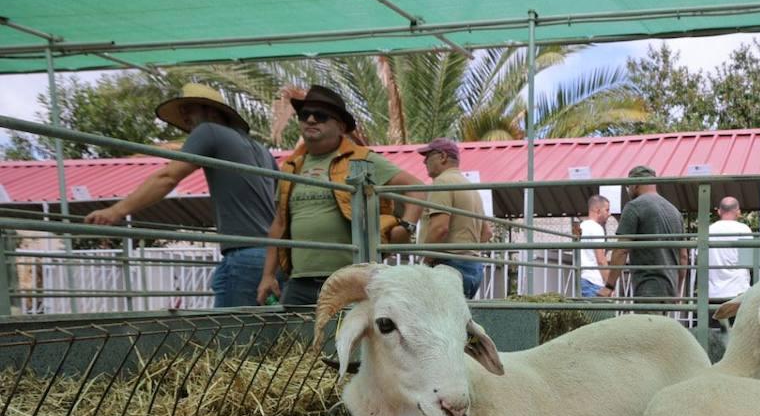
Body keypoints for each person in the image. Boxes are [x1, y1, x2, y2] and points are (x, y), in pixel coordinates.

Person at [84, 84, 277, 308]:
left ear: (212, 112)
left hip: (243, 255)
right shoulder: (262, 151)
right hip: (271, 258)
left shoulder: (208, 131)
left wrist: (116, 211)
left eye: (190, 109)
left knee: (230, 337)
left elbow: (167, 177)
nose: (185, 116)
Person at [255, 85, 423, 306]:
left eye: (321, 116)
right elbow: (279, 223)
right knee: (294, 340)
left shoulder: (363, 159)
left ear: (341, 126)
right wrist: (268, 275)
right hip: (299, 281)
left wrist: (407, 226)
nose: (311, 120)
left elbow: (417, 187)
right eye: (305, 115)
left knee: (350, 339)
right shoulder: (291, 166)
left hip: (349, 277)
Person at [411, 137, 490, 299]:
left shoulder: (442, 182)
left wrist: (425, 261)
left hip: (448, 268)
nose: (424, 161)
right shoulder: (471, 188)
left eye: (428, 156)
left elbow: (440, 228)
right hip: (473, 268)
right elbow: (486, 233)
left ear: (442, 156)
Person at [608, 165, 685, 306]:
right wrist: (677, 290)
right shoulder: (674, 211)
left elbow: (621, 249)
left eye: (628, 187)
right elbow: (683, 256)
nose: (628, 190)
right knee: (662, 328)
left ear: (635, 184)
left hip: (648, 287)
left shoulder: (634, 207)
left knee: (647, 327)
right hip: (670, 288)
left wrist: (609, 286)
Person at [706, 195, 752, 300]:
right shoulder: (744, 230)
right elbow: (749, 260)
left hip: (713, 293)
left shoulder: (708, 230)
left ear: (719, 211)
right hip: (738, 292)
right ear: (738, 212)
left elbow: (700, 258)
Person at [578, 194, 615, 298]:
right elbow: (601, 260)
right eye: (607, 210)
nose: (609, 213)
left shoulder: (581, 226)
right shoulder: (596, 228)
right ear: (598, 210)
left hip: (582, 278)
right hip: (594, 281)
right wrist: (609, 285)